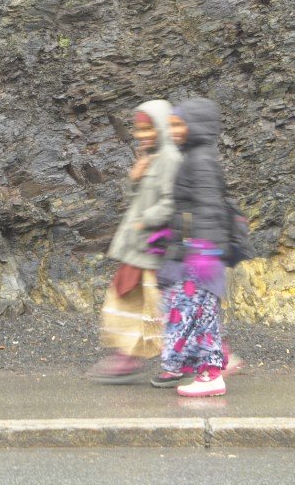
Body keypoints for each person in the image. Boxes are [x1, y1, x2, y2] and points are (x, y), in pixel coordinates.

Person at [89, 100, 182, 383]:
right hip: (137, 248)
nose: (142, 135)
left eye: (148, 129)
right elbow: (137, 200)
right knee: (126, 299)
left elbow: (172, 202)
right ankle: (127, 357)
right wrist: (134, 179)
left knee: (164, 307)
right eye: (139, 129)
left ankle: (201, 356)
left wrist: (146, 220)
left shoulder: (171, 159)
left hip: (154, 249)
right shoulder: (151, 156)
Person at [153, 98, 231, 397]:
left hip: (200, 256)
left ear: (194, 126)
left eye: (177, 124)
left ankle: (212, 374)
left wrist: (205, 251)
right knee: (184, 309)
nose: (172, 130)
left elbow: (208, 208)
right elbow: (187, 212)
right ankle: (188, 364)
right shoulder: (194, 158)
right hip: (192, 252)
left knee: (200, 313)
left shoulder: (201, 161)